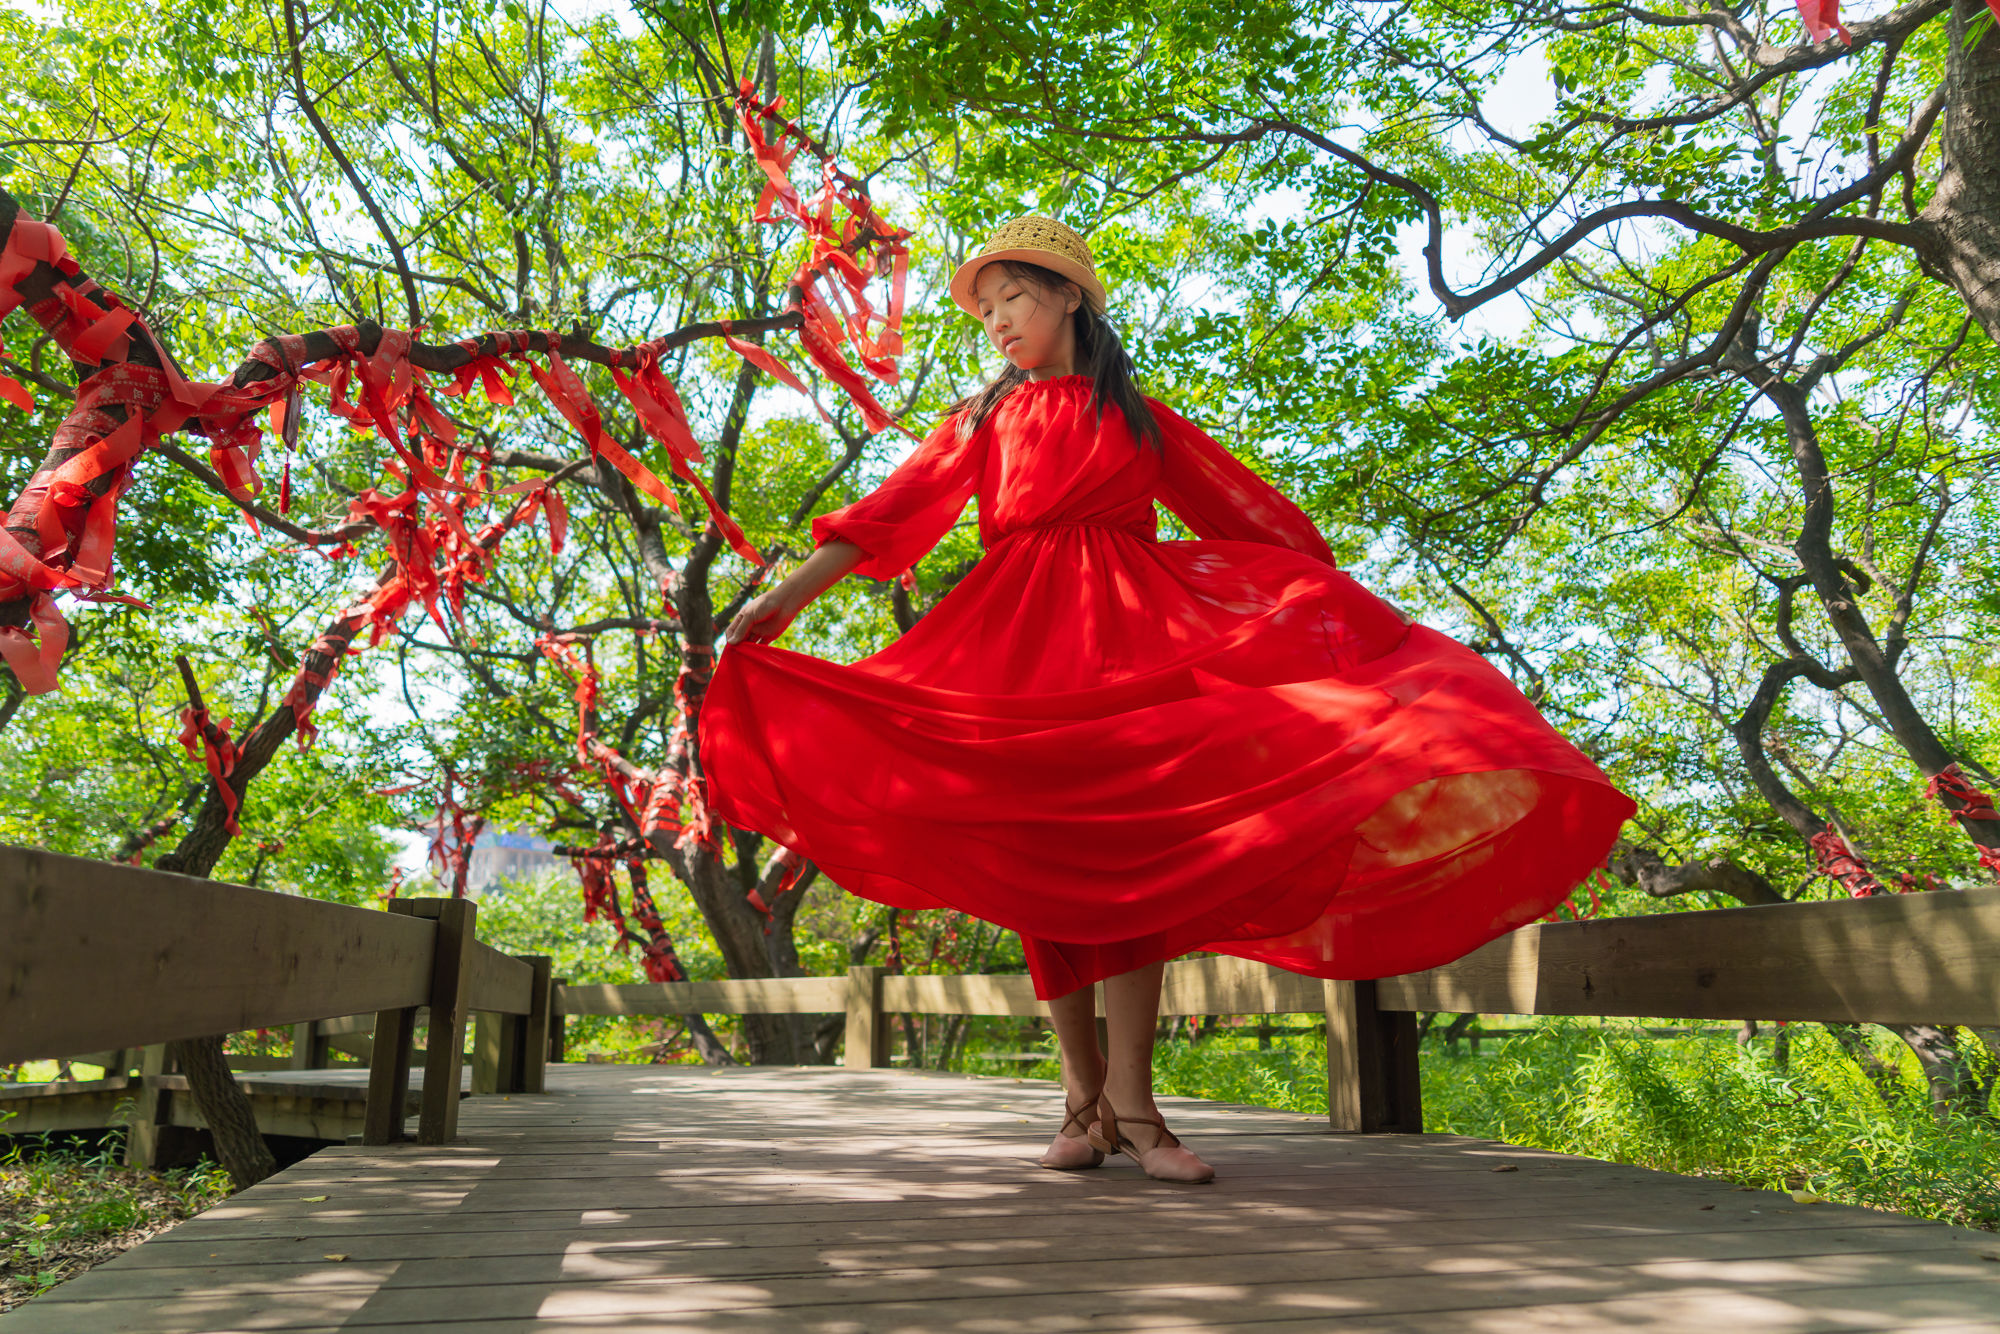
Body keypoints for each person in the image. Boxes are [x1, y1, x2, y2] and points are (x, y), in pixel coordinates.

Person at [699, 215, 1636, 1185]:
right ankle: (1080, 1100)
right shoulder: (980, 421)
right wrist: (780, 597)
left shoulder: (1137, 420)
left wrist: (1316, 623)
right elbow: (886, 517)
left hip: (1128, 641)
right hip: (1016, 645)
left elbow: (1258, 524)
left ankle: (1137, 1108)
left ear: (1069, 296)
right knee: (1041, 866)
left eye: (1012, 297)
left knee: (1125, 860)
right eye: (983, 309)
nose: (995, 322)